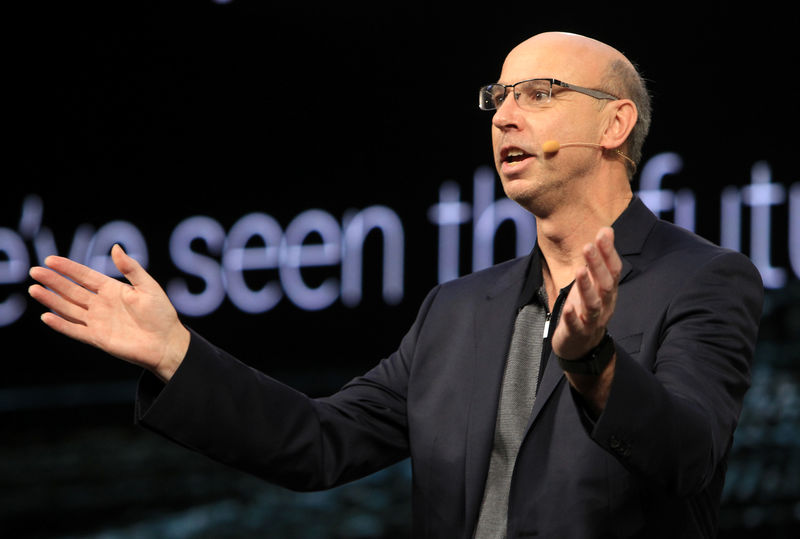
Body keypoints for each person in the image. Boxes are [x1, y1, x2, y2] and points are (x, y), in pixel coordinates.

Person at [28, 32, 763, 538]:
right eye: (497, 98)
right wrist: (176, 355)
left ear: (615, 123)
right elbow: (319, 443)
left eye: (538, 93)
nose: (504, 115)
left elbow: (690, 456)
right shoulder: (456, 312)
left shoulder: (700, 279)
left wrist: (592, 363)